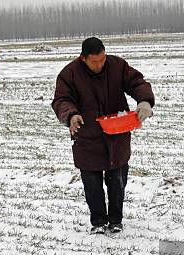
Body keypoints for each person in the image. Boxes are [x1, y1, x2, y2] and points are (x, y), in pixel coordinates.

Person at [52, 37, 155, 234]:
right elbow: (61, 99)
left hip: (117, 133)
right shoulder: (69, 74)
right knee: (92, 183)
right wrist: (71, 115)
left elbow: (136, 82)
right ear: (83, 59)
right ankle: (98, 221)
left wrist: (145, 101)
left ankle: (116, 220)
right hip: (86, 134)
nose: (100, 64)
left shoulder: (117, 65)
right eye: (94, 61)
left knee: (118, 180)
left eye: (102, 59)